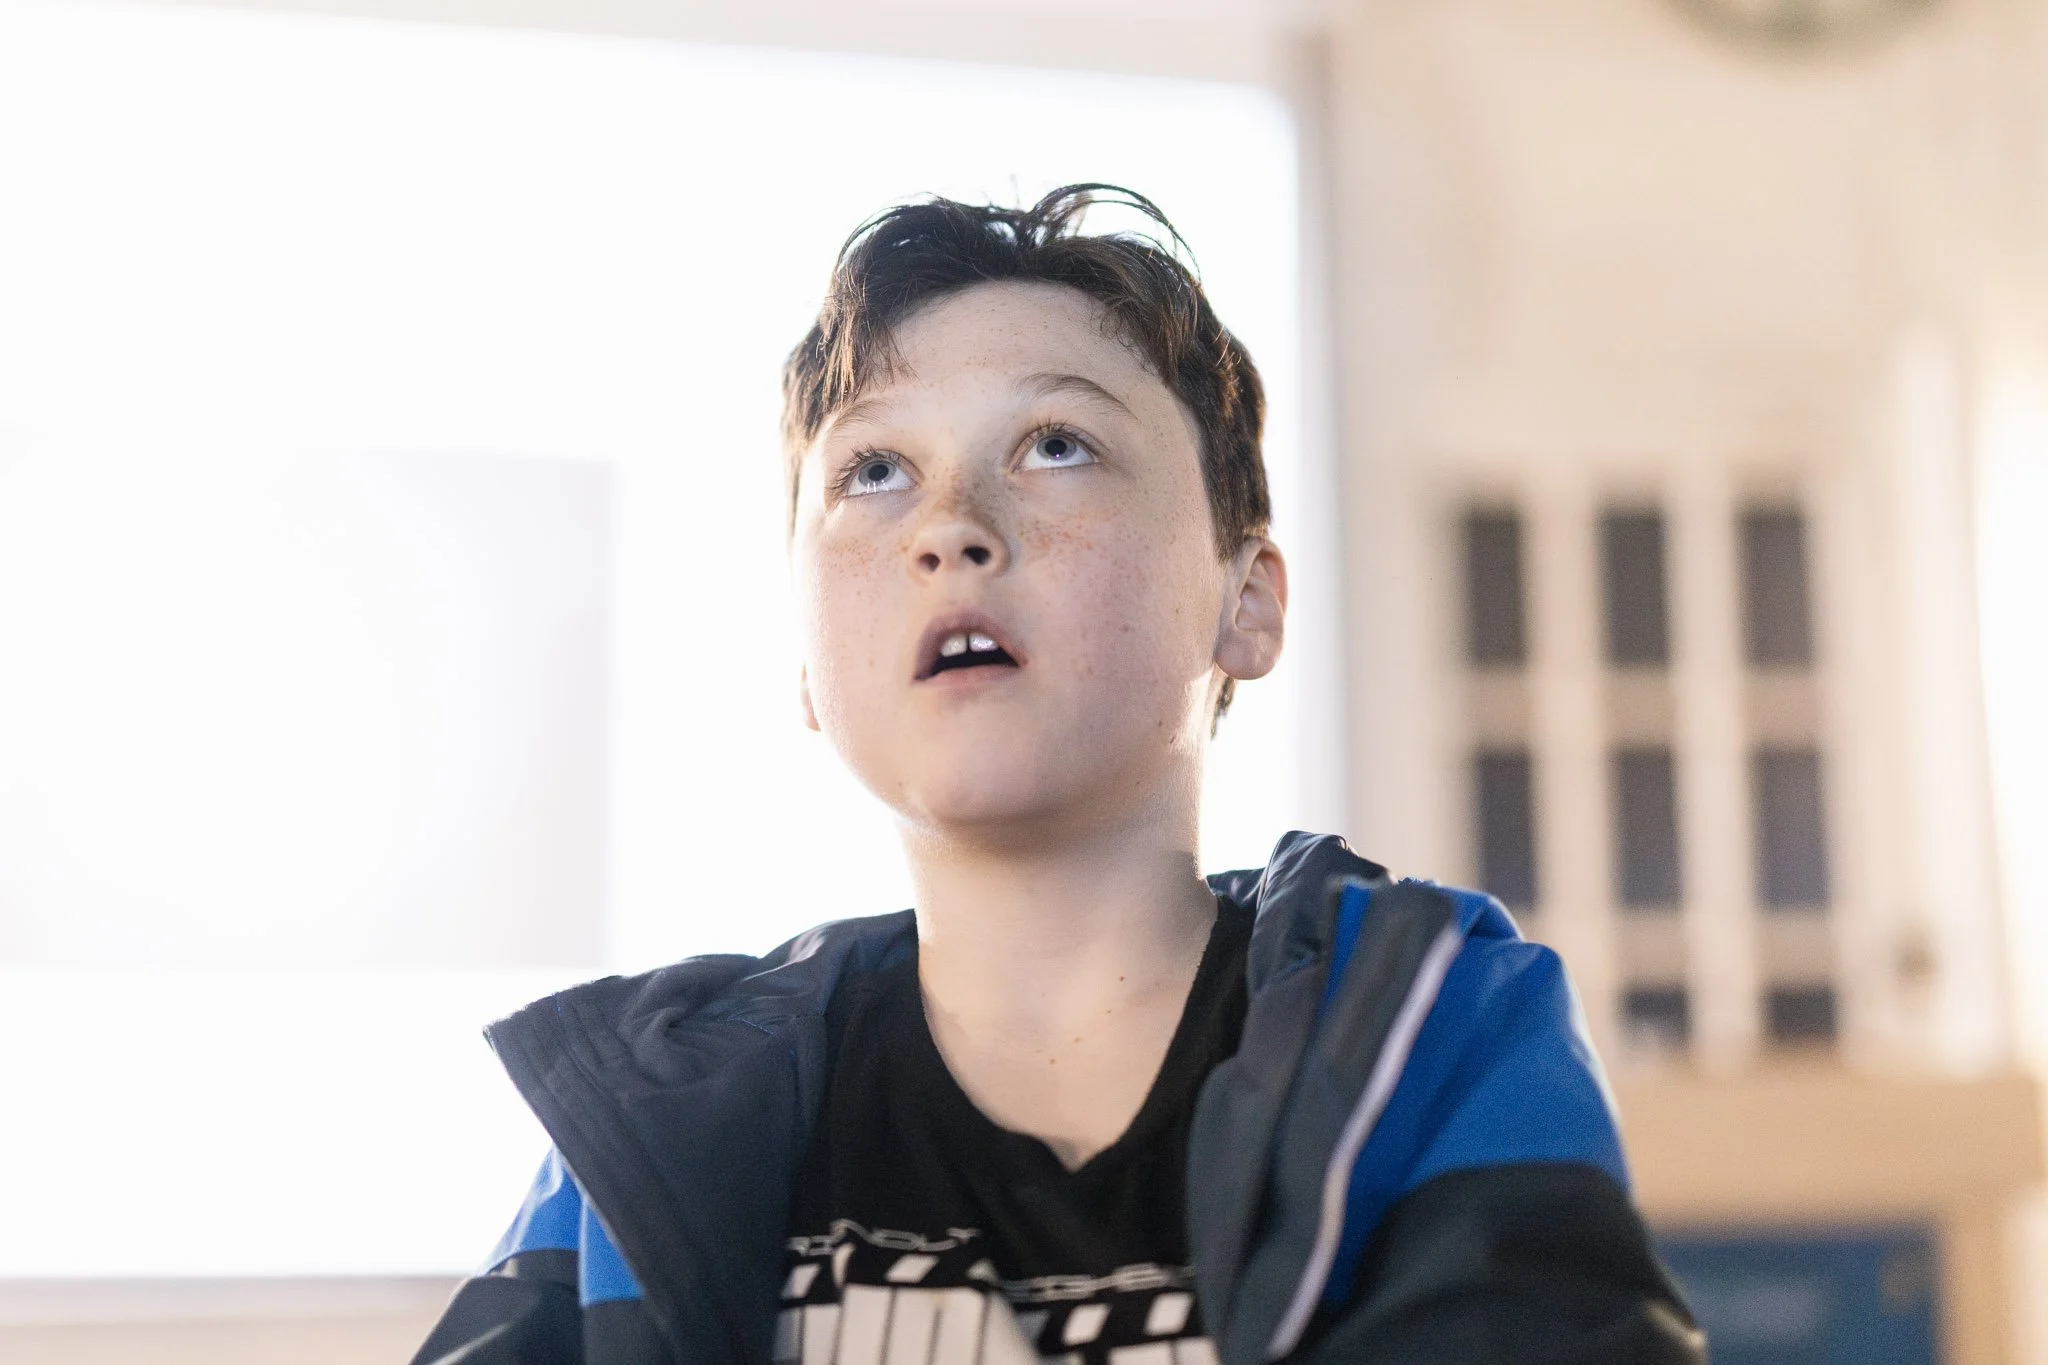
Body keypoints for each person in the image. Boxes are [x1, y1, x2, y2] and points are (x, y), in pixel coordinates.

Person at [410, 185, 1703, 1365]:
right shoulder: (654, 1120)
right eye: (874, 470)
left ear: (1246, 600)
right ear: (805, 660)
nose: (950, 527)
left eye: (1056, 445)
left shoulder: (1432, 1022)